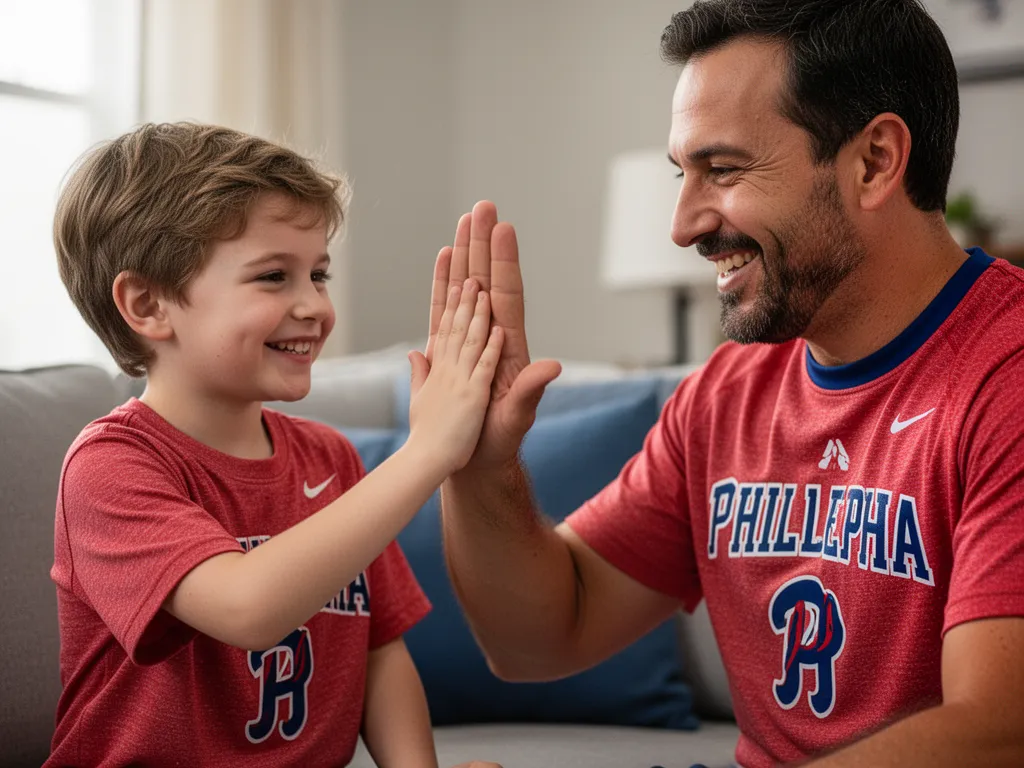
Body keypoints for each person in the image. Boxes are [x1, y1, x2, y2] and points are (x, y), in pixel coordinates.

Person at [421, 2, 1024, 766]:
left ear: (873, 161)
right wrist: (478, 462)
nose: (682, 224)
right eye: (684, 174)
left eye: (725, 170)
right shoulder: (726, 395)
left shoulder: (1006, 379)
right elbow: (540, 637)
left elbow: (1001, 729)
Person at [49, 122, 503, 767]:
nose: (314, 305)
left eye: (318, 275)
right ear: (148, 305)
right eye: (272, 277)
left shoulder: (331, 460)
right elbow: (247, 608)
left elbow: (379, 648)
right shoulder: (110, 466)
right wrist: (427, 451)